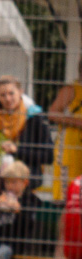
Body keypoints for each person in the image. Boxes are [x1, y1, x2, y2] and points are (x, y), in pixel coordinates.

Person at [0, 75, 54, 185]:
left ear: (20, 92)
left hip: (22, 178)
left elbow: (48, 156)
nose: (7, 99)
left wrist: (17, 150)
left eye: (11, 93)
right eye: (3, 95)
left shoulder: (34, 117)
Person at [46, 59, 82, 200]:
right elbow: (52, 113)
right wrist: (78, 122)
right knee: (69, 197)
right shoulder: (71, 90)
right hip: (69, 151)